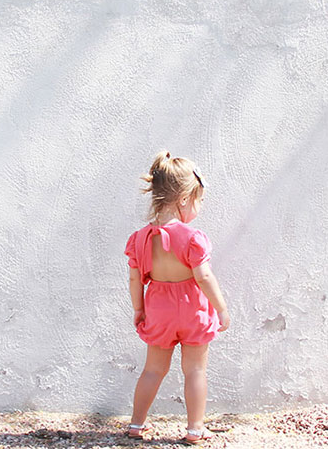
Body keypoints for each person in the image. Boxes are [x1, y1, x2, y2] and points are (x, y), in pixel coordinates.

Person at [124, 151, 230, 444]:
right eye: (199, 200)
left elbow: (134, 278)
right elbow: (204, 276)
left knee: (153, 369)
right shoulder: (192, 237)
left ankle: (136, 424)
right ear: (184, 198)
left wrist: (138, 308)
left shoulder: (140, 239)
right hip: (192, 309)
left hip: (158, 308)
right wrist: (221, 309)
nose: (199, 207)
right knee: (195, 370)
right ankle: (195, 429)